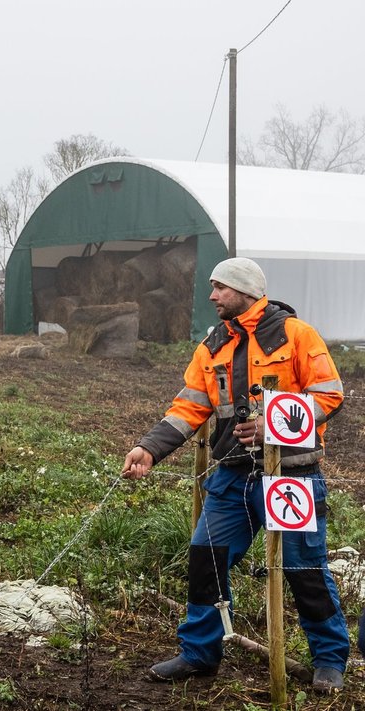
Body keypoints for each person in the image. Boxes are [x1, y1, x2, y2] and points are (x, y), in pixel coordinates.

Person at [121, 257, 348, 693]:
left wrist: (274, 423)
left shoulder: (297, 335)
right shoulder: (211, 346)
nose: (212, 296)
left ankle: (329, 660)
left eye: (220, 287)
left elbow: (329, 394)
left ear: (246, 290)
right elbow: (188, 407)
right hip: (231, 476)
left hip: (291, 476)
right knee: (206, 559)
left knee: (304, 568)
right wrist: (148, 448)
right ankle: (199, 654)